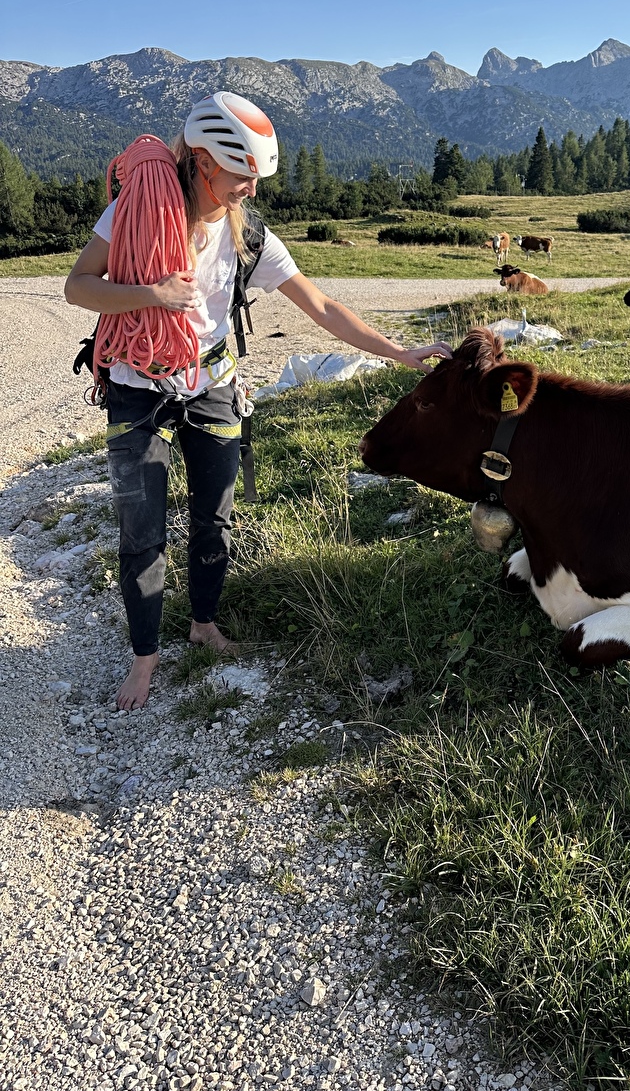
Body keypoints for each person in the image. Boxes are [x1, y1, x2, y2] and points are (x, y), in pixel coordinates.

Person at [65, 91, 449, 711]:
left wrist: (400, 353)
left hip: (214, 388)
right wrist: (150, 292)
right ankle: (145, 657)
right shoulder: (130, 213)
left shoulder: (251, 239)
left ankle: (203, 623)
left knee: (214, 518)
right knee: (142, 532)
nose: (251, 188)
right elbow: (77, 287)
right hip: (138, 391)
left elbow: (321, 306)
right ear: (205, 161)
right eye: (243, 175)